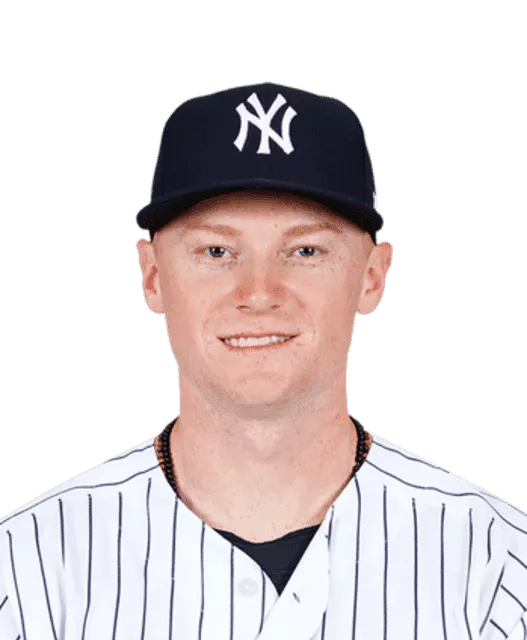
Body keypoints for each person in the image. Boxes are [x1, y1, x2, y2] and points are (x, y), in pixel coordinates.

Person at [1, 81, 526, 639]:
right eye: (216, 251)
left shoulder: (494, 570)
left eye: (305, 250)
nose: (258, 292)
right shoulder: (30, 570)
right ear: (152, 276)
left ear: (373, 277)